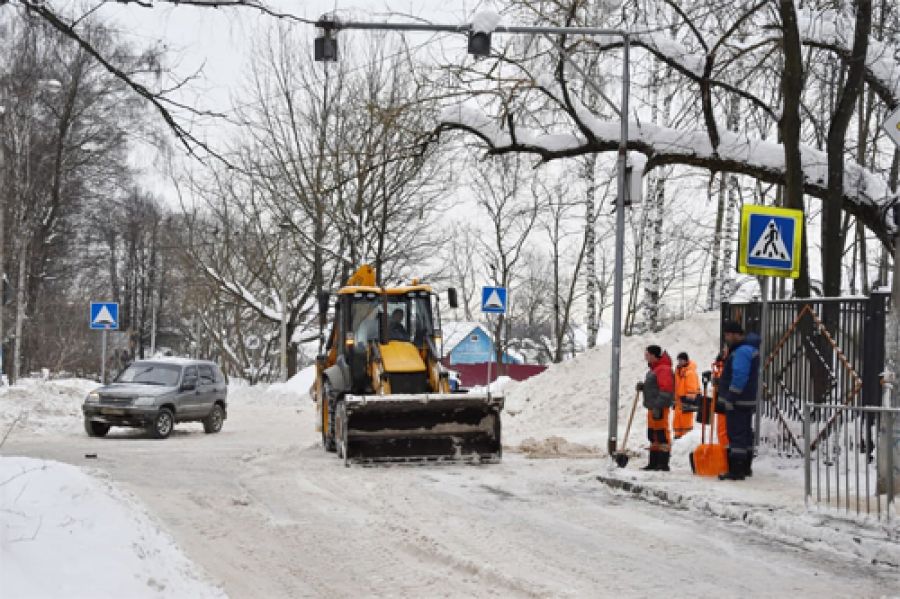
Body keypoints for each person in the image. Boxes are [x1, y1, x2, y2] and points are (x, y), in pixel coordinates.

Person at [717, 320, 761, 481]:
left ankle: (736, 470)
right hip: (746, 399)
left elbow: (740, 375)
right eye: (725, 335)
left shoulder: (741, 351)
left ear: (737, 335)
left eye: (728, 335)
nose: (726, 338)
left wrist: (731, 396)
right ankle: (745, 467)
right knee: (745, 433)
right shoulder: (747, 350)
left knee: (736, 434)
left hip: (738, 400)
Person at [636, 345, 675, 471]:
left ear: (653, 355)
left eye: (647, 354)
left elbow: (666, 390)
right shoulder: (653, 370)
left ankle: (663, 463)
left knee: (662, 434)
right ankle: (653, 463)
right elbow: (654, 387)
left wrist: (658, 406)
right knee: (653, 434)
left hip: (659, 407)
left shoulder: (663, 369)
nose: (645, 357)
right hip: (652, 408)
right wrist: (644, 387)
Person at [673, 352, 700, 439]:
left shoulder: (689, 372)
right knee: (677, 420)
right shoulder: (678, 371)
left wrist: (689, 400)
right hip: (679, 400)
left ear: (686, 360)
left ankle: (686, 438)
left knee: (686, 421)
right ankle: (677, 436)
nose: (679, 362)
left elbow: (692, 387)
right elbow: (676, 386)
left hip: (686, 400)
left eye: (681, 360)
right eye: (678, 360)